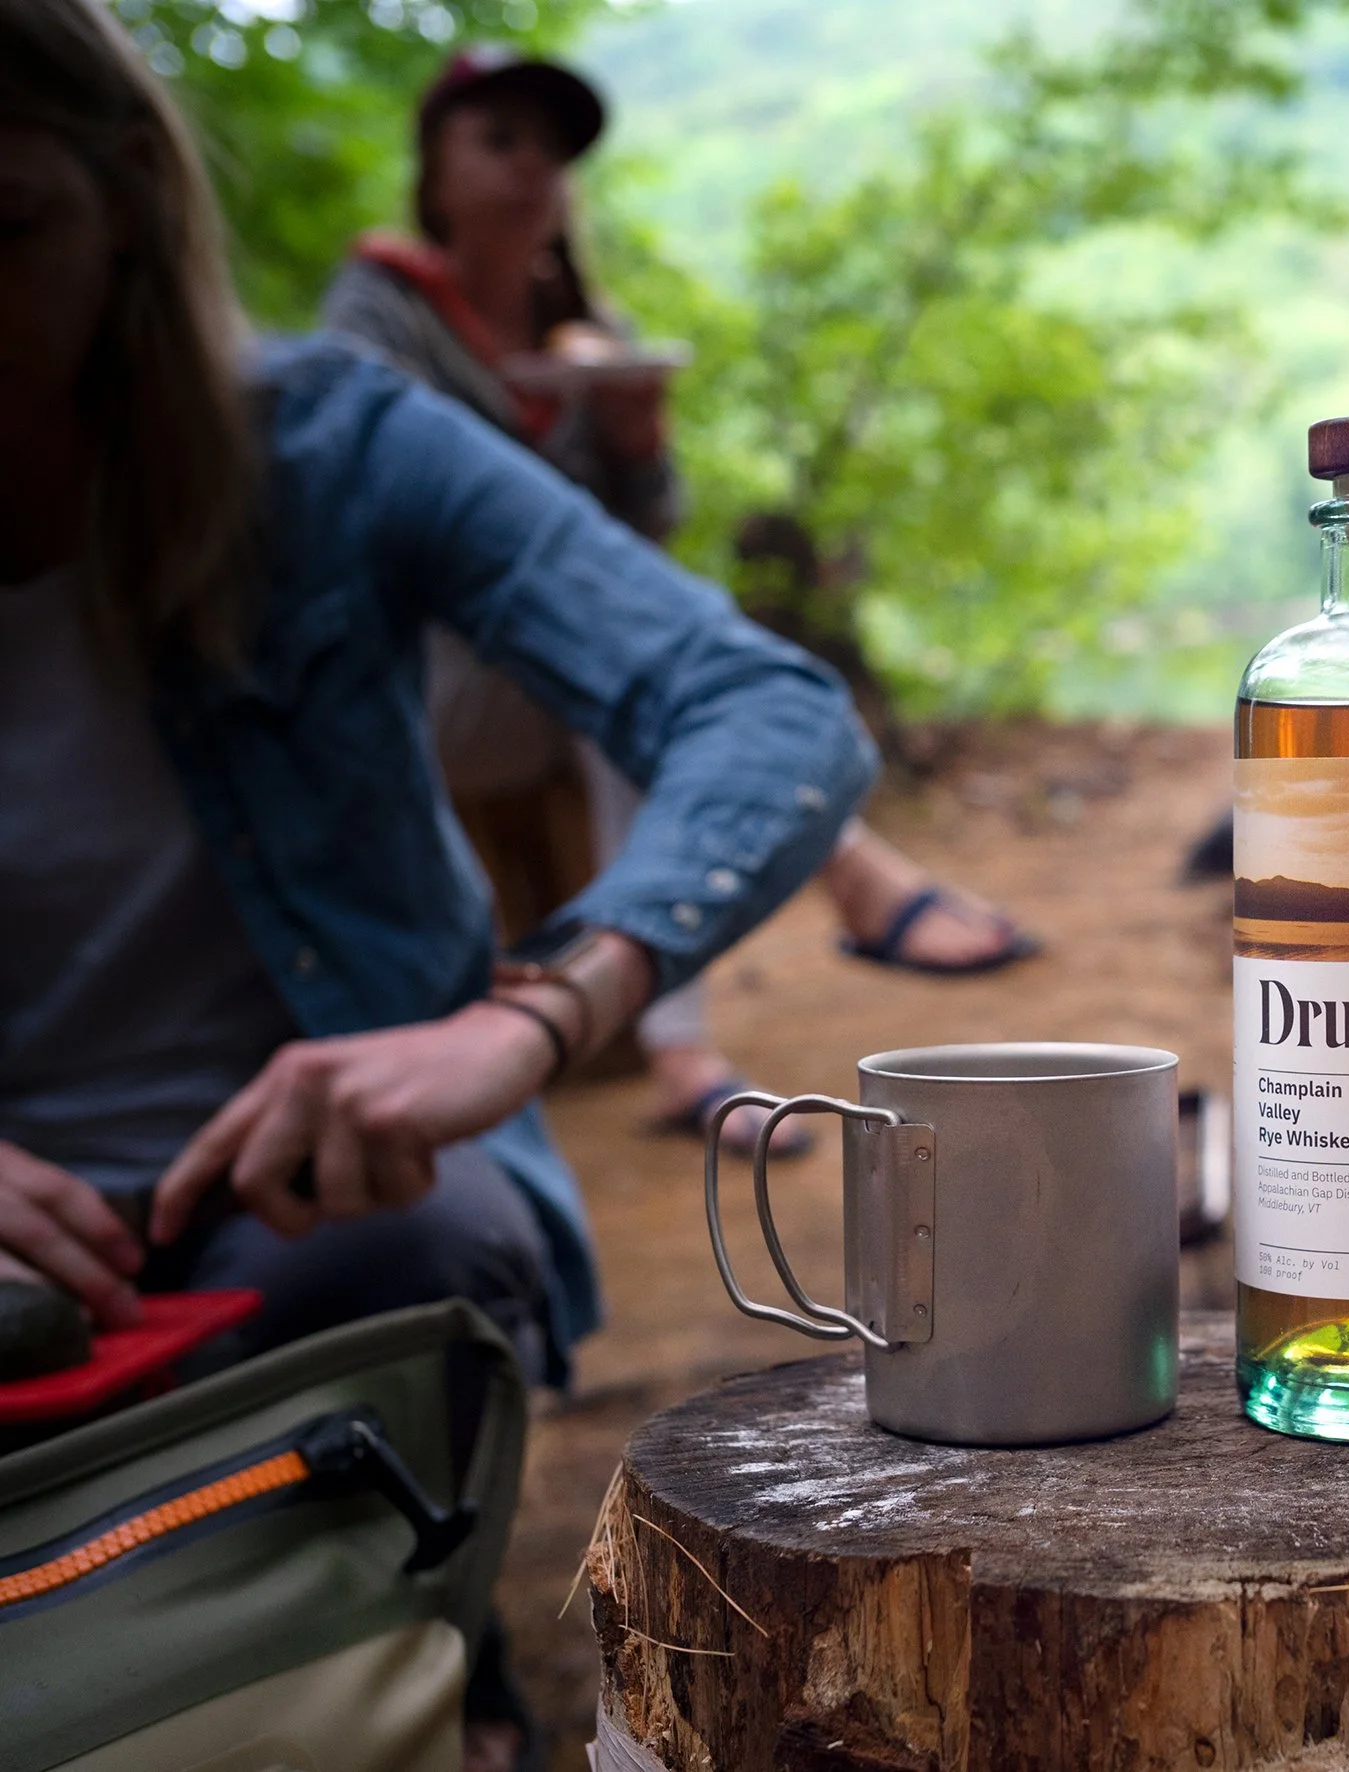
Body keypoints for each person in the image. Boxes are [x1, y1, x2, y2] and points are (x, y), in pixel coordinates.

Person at [0, 1, 871, 1756]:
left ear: (128, 210)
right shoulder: (392, 303)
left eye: (2, 231)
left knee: (427, 1232)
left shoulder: (324, 432)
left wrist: (528, 1014)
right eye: (500, 140)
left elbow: (752, 692)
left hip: (305, 1199)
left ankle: (406, 1667)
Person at [319, 47, 1037, 1152]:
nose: (531, 167)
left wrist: (634, 439)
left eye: (549, 149)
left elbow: (645, 528)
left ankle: (688, 1044)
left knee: (626, 666)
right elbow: (367, 515)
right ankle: (822, 908)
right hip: (426, 686)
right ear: (435, 172)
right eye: (498, 140)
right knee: (614, 672)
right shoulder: (380, 315)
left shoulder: (589, 324)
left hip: (547, 680)